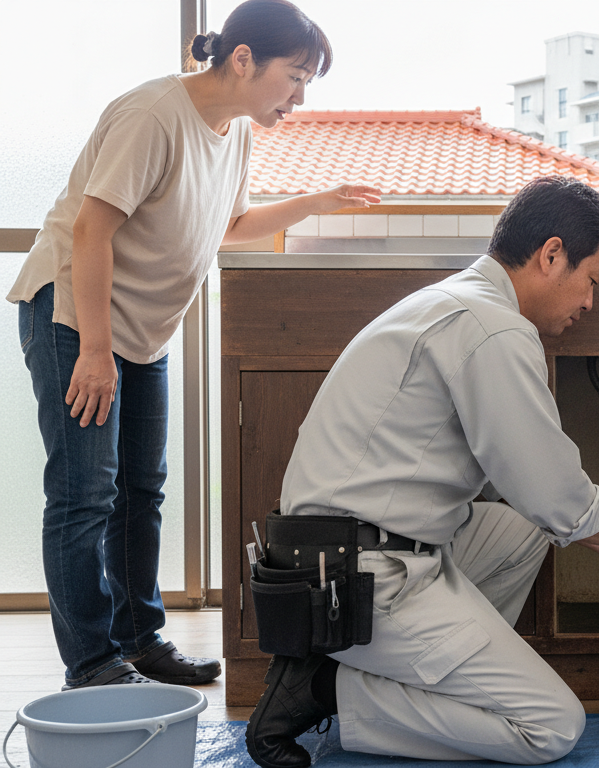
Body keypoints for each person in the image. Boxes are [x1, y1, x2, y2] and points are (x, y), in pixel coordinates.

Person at [246, 176, 599, 768]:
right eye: (592, 281)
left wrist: (595, 538)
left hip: (339, 555)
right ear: (551, 254)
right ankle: (323, 689)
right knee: (552, 727)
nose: (590, 303)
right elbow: (549, 486)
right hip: (357, 577)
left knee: (524, 530)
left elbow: (539, 501)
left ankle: (413, 673)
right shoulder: (493, 329)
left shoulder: (455, 302)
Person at [7, 0, 379, 691]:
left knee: (140, 492)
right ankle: (91, 664)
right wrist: (93, 348)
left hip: (141, 334)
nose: (300, 97)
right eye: (295, 78)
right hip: (73, 318)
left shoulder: (235, 130)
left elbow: (229, 223)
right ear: (244, 60)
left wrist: (316, 199)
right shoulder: (154, 115)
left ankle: (139, 641)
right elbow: (91, 230)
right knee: (84, 494)